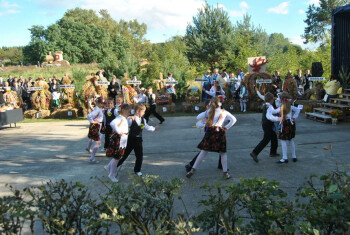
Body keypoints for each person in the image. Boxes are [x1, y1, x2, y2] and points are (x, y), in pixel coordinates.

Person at [186, 97, 237, 179]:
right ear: (220, 104)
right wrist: (226, 127)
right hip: (220, 132)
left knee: (203, 152)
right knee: (223, 153)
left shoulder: (208, 112)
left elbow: (198, 117)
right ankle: (225, 173)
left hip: (210, 132)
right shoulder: (224, 112)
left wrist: (206, 113)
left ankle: (192, 170)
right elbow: (234, 120)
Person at [116, 103, 160, 176]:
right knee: (124, 155)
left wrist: (154, 128)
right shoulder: (130, 119)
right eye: (143, 111)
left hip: (139, 140)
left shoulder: (143, 120)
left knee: (139, 156)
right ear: (137, 111)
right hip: (131, 139)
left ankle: (137, 170)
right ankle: (113, 166)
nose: (144, 113)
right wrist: (127, 118)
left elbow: (147, 127)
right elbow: (123, 124)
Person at [250, 92, 281, 163]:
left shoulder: (267, 105)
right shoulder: (269, 106)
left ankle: (273, 152)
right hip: (267, 124)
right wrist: (279, 118)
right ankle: (255, 152)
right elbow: (271, 116)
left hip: (266, 124)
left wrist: (280, 108)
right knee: (266, 139)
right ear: (271, 100)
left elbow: (273, 111)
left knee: (274, 137)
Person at [105, 104, 131, 182]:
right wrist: (119, 132)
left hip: (123, 139)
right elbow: (112, 123)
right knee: (117, 158)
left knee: (117, 157)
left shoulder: (123, 118)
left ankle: (108, 167)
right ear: (123, 110)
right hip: (119, 139)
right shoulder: (120, 118)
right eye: (128, 111)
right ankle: (111, 175)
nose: (129, 113)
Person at [277, 92, 300, 163]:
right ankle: (294, 156)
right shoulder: (290, 106)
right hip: (291, 123)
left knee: (283, 140)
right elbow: (298, 110)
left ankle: (285, 157)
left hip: (285, 123)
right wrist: (293, 117)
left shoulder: (282, 107)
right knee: (291, 140)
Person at [86, 97, 105, 163]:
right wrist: (92, 121)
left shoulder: (99, 109)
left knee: (93, 138)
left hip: (97, 125)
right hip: (96, 126)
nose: (101, 104)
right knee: (97, 142)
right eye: (100, 103)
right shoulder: (97, 110)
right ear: (97, 103)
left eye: (102, 103)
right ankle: (92, 157)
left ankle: (88, 148)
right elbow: (89, 115)